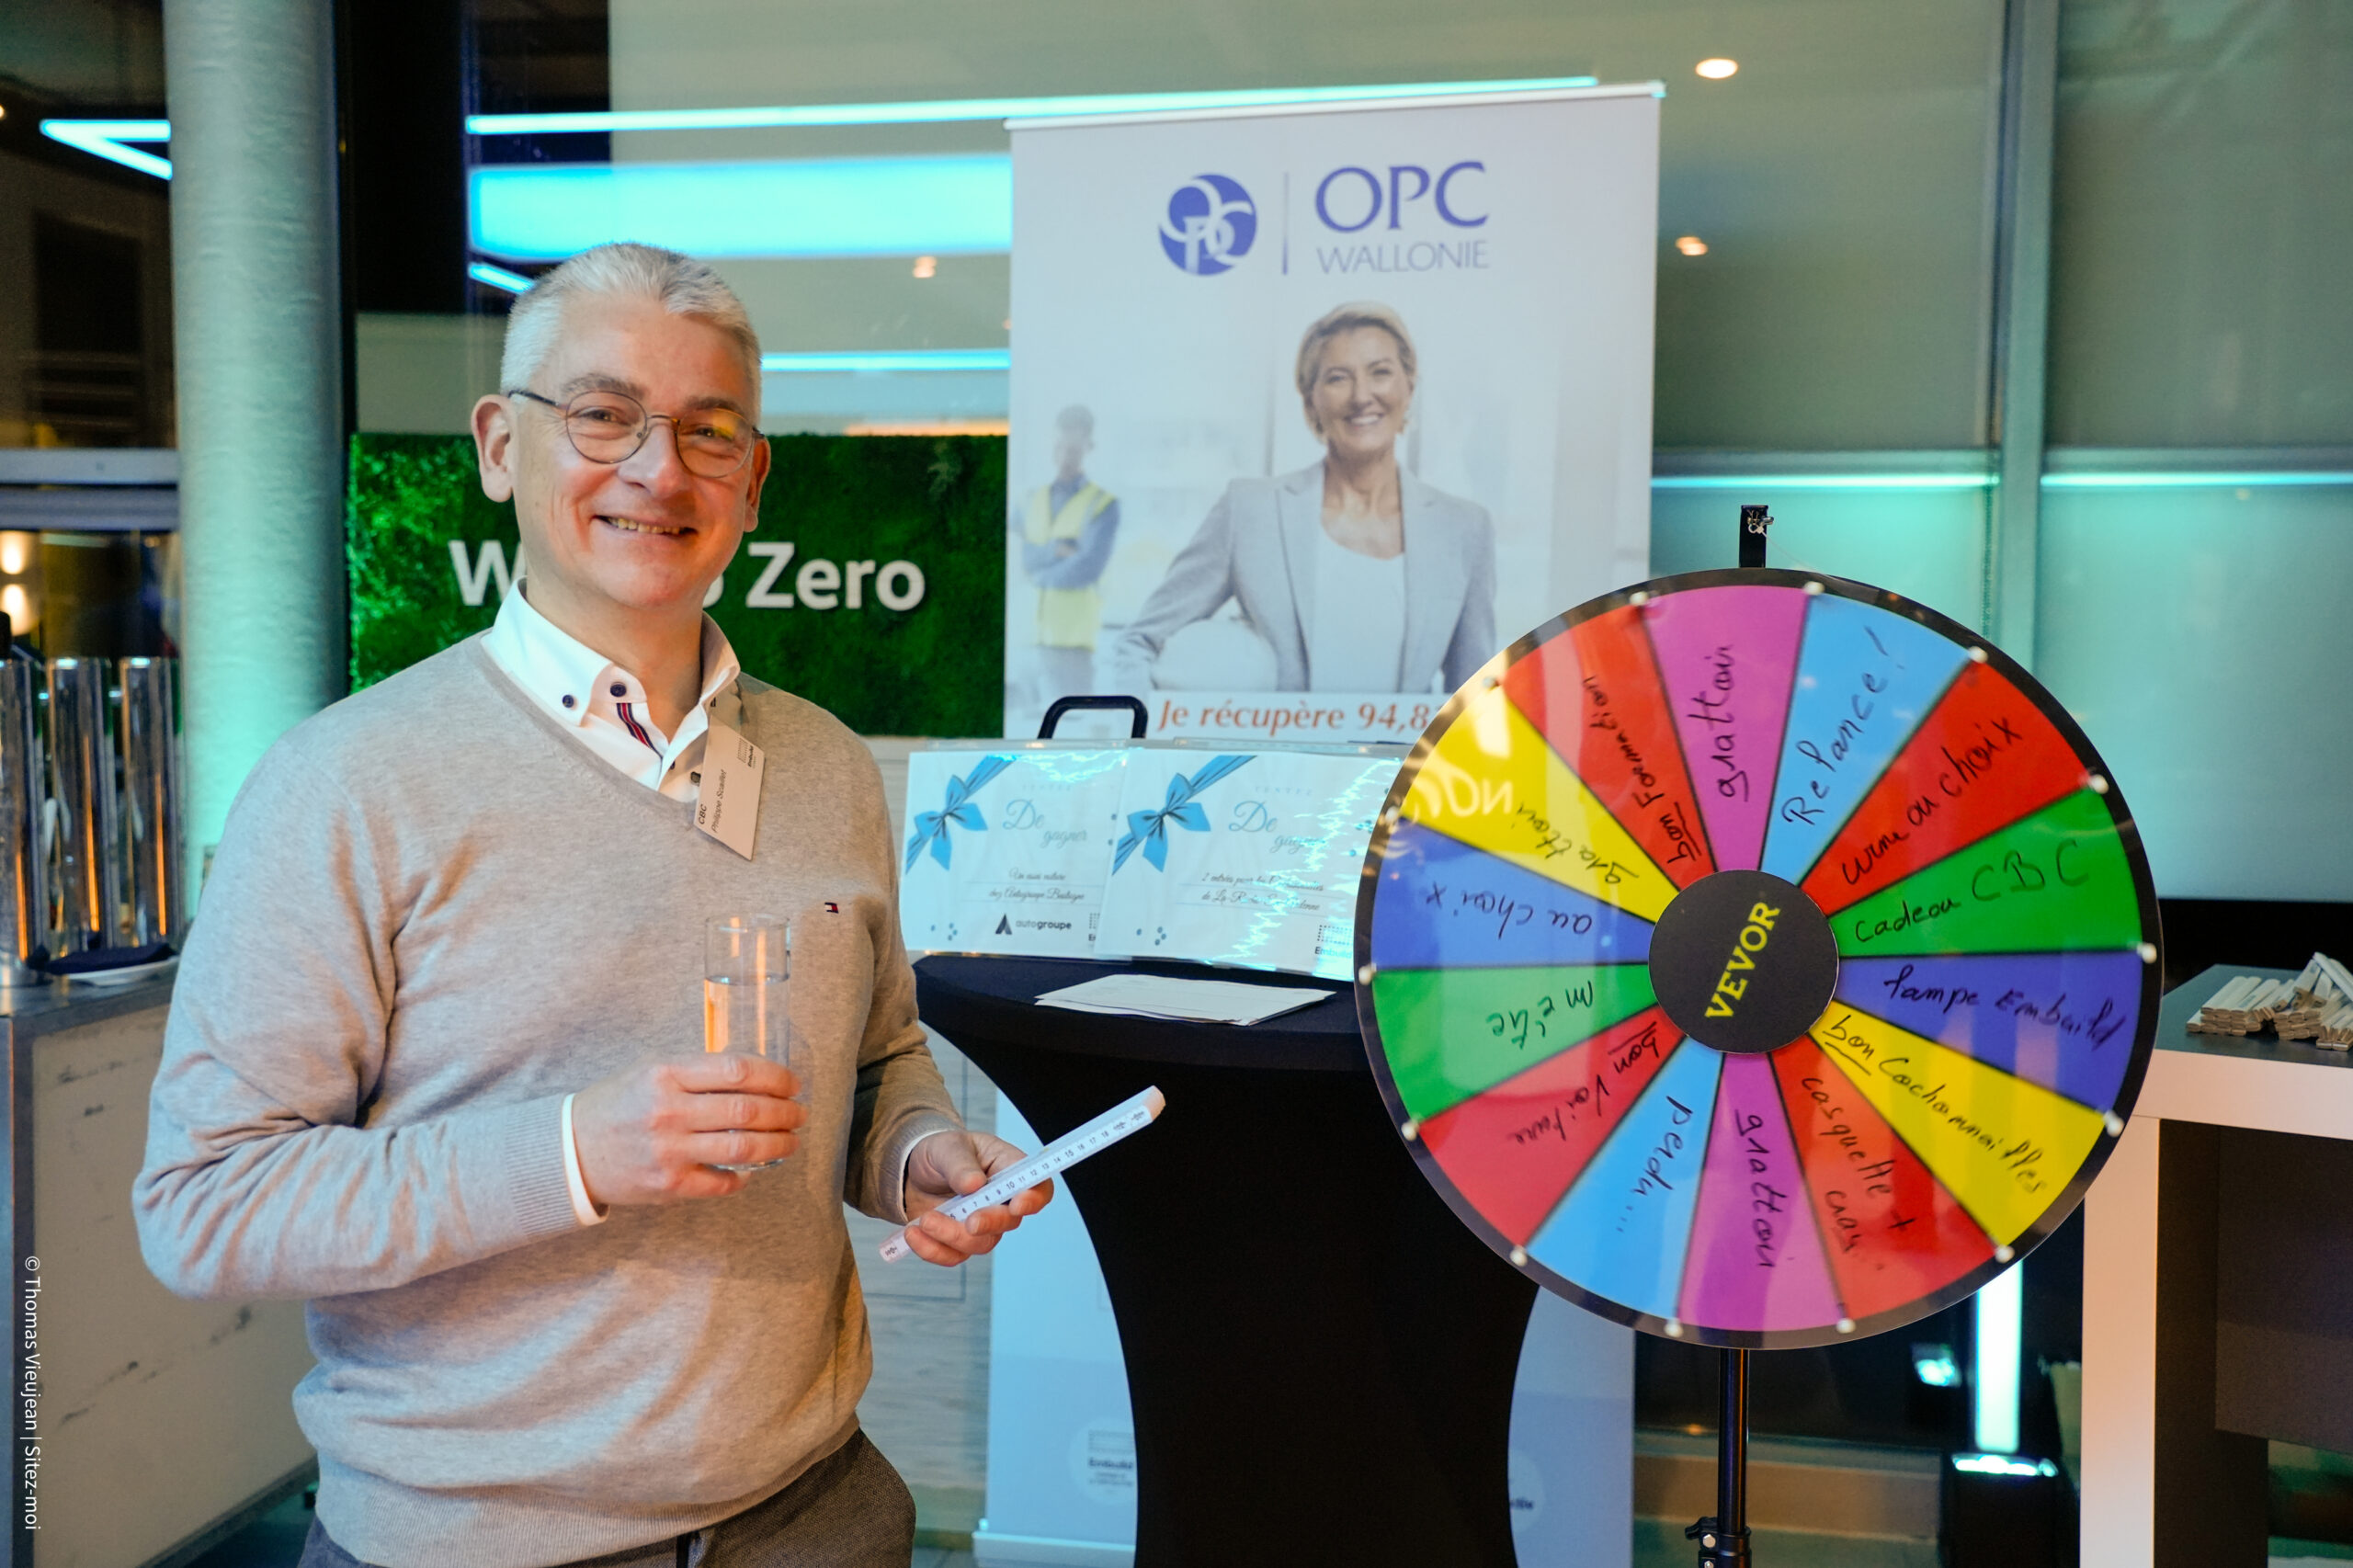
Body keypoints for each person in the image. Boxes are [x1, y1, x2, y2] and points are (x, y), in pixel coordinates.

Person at [133, 242, 1049, 1568]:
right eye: (603, 414)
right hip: (471, 1539)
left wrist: (914, 1154)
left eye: (707, 431)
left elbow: (875, 1053)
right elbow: (207, 1202)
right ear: (502, 446)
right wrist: (570, 1154)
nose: (658, 471)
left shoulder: (827, 765)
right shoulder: (344, 784)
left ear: (753, 481)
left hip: (817, 1511)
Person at [1109, 301, 1495, 695]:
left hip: (1411, 741)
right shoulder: (1251, 511)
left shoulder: (1464, 529)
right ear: (1311, 400)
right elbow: (1140, 644)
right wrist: (1139, 731)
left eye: (1380, 373)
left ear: (1409, 387)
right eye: (1338, 378)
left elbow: (1475, 695)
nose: (1361, 396)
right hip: (1276, 740)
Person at [1014, 404, 1121, 705]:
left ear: (1089, 448)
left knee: (1072, 723)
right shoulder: (1028, 500)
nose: (1064, 458)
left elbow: (1087, 567)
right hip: (1026, 636)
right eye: (1059, 448)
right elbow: (1019, 558)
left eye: (1073, 451)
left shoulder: (1102, 504)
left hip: (1072, 641)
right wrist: (1055, 550)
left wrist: (1037, 574)